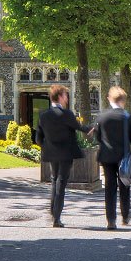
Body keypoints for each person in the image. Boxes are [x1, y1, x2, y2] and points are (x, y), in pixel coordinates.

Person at [34, 84, 85, 228]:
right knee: (61, 183)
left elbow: (38, 139)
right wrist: (92, 128)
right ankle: (56, 217)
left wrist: (47, 146)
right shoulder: (67, 114)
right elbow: (79, 127)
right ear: (60, 97)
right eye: (66, 95)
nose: (67, 98)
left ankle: (53, 211)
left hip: (51, 153)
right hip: (65, 154)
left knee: (54, 180)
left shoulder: (43, 115)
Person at [90, 86, 131, 230]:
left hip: (106, 156)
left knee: (109, 188)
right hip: (123, 156)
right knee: (124, 185)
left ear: (110, 99)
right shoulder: (127, 117)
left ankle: (111, 220)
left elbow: (97, 137)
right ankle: (125, 215)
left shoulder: (102, 116)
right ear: (123, 100)